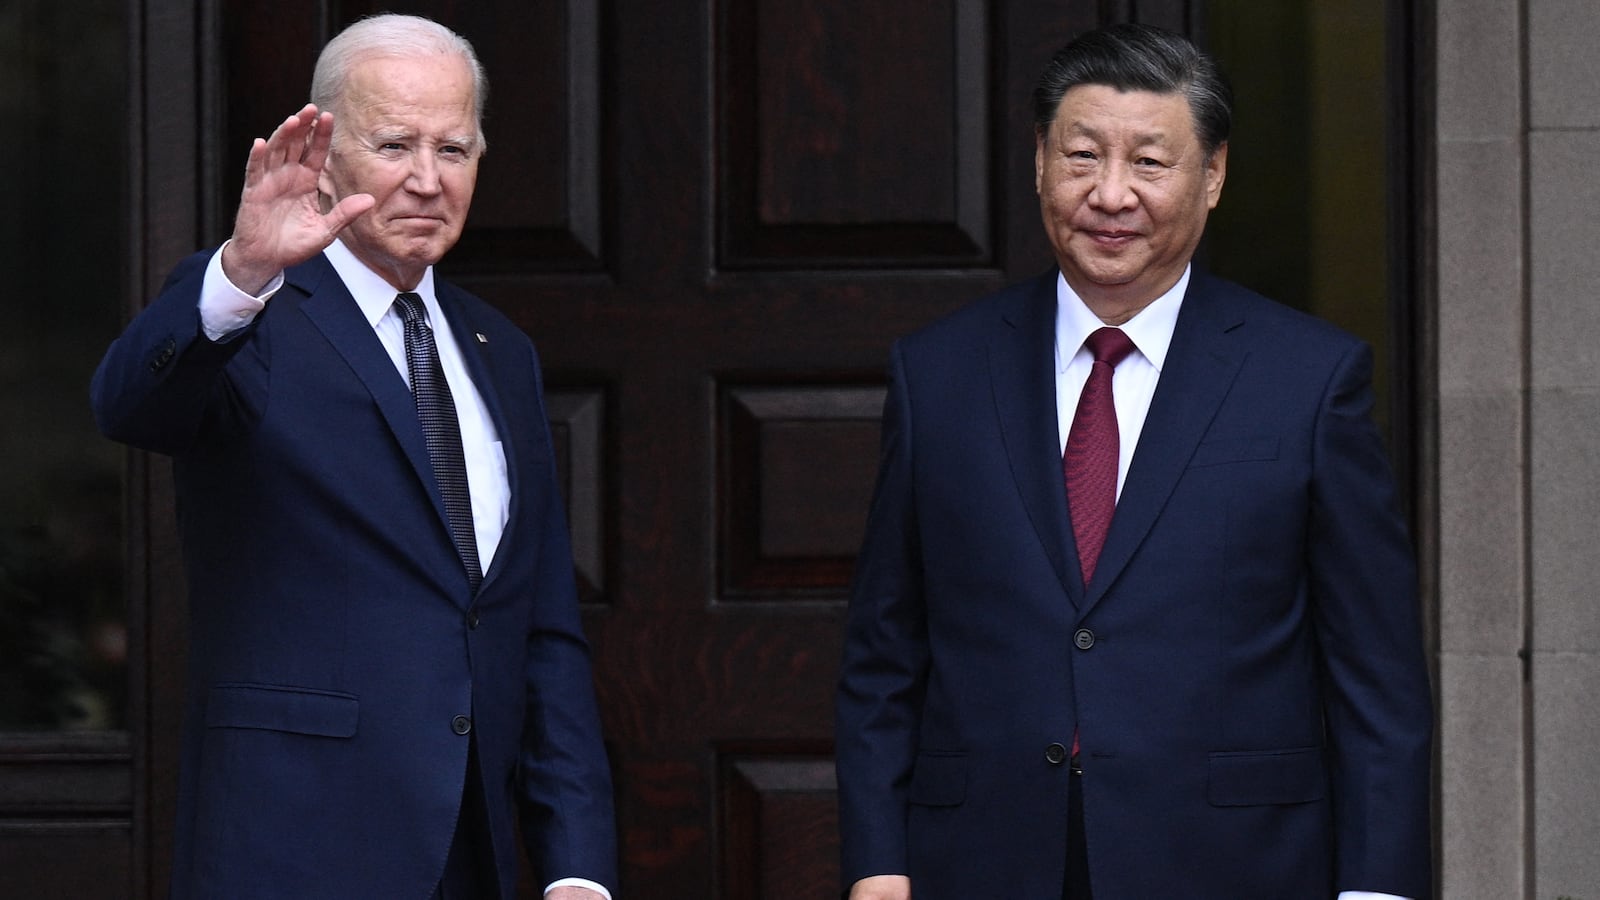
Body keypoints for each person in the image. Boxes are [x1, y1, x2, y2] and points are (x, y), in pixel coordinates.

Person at [835, 23, 1432, 900]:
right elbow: (886, 653)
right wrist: (878, 861)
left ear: (1214, 174)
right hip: (984, 861)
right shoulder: (940, 374)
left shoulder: (1309, 379)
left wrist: (1376, 887)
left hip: (1235, 864)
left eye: (1150, 162)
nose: (1110, 194)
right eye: (1082, 155)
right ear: (1040, 161)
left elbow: (1374, 675)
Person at [91, 14, 616, 900]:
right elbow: (130, 405)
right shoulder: (250, 313)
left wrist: (576, 868)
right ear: (326, 151)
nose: (425, 179)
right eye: (394, 144)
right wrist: (240, 275)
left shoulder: (501, 349)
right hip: (294, 849)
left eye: (454, 149)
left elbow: (540, 632)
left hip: (467, 854)